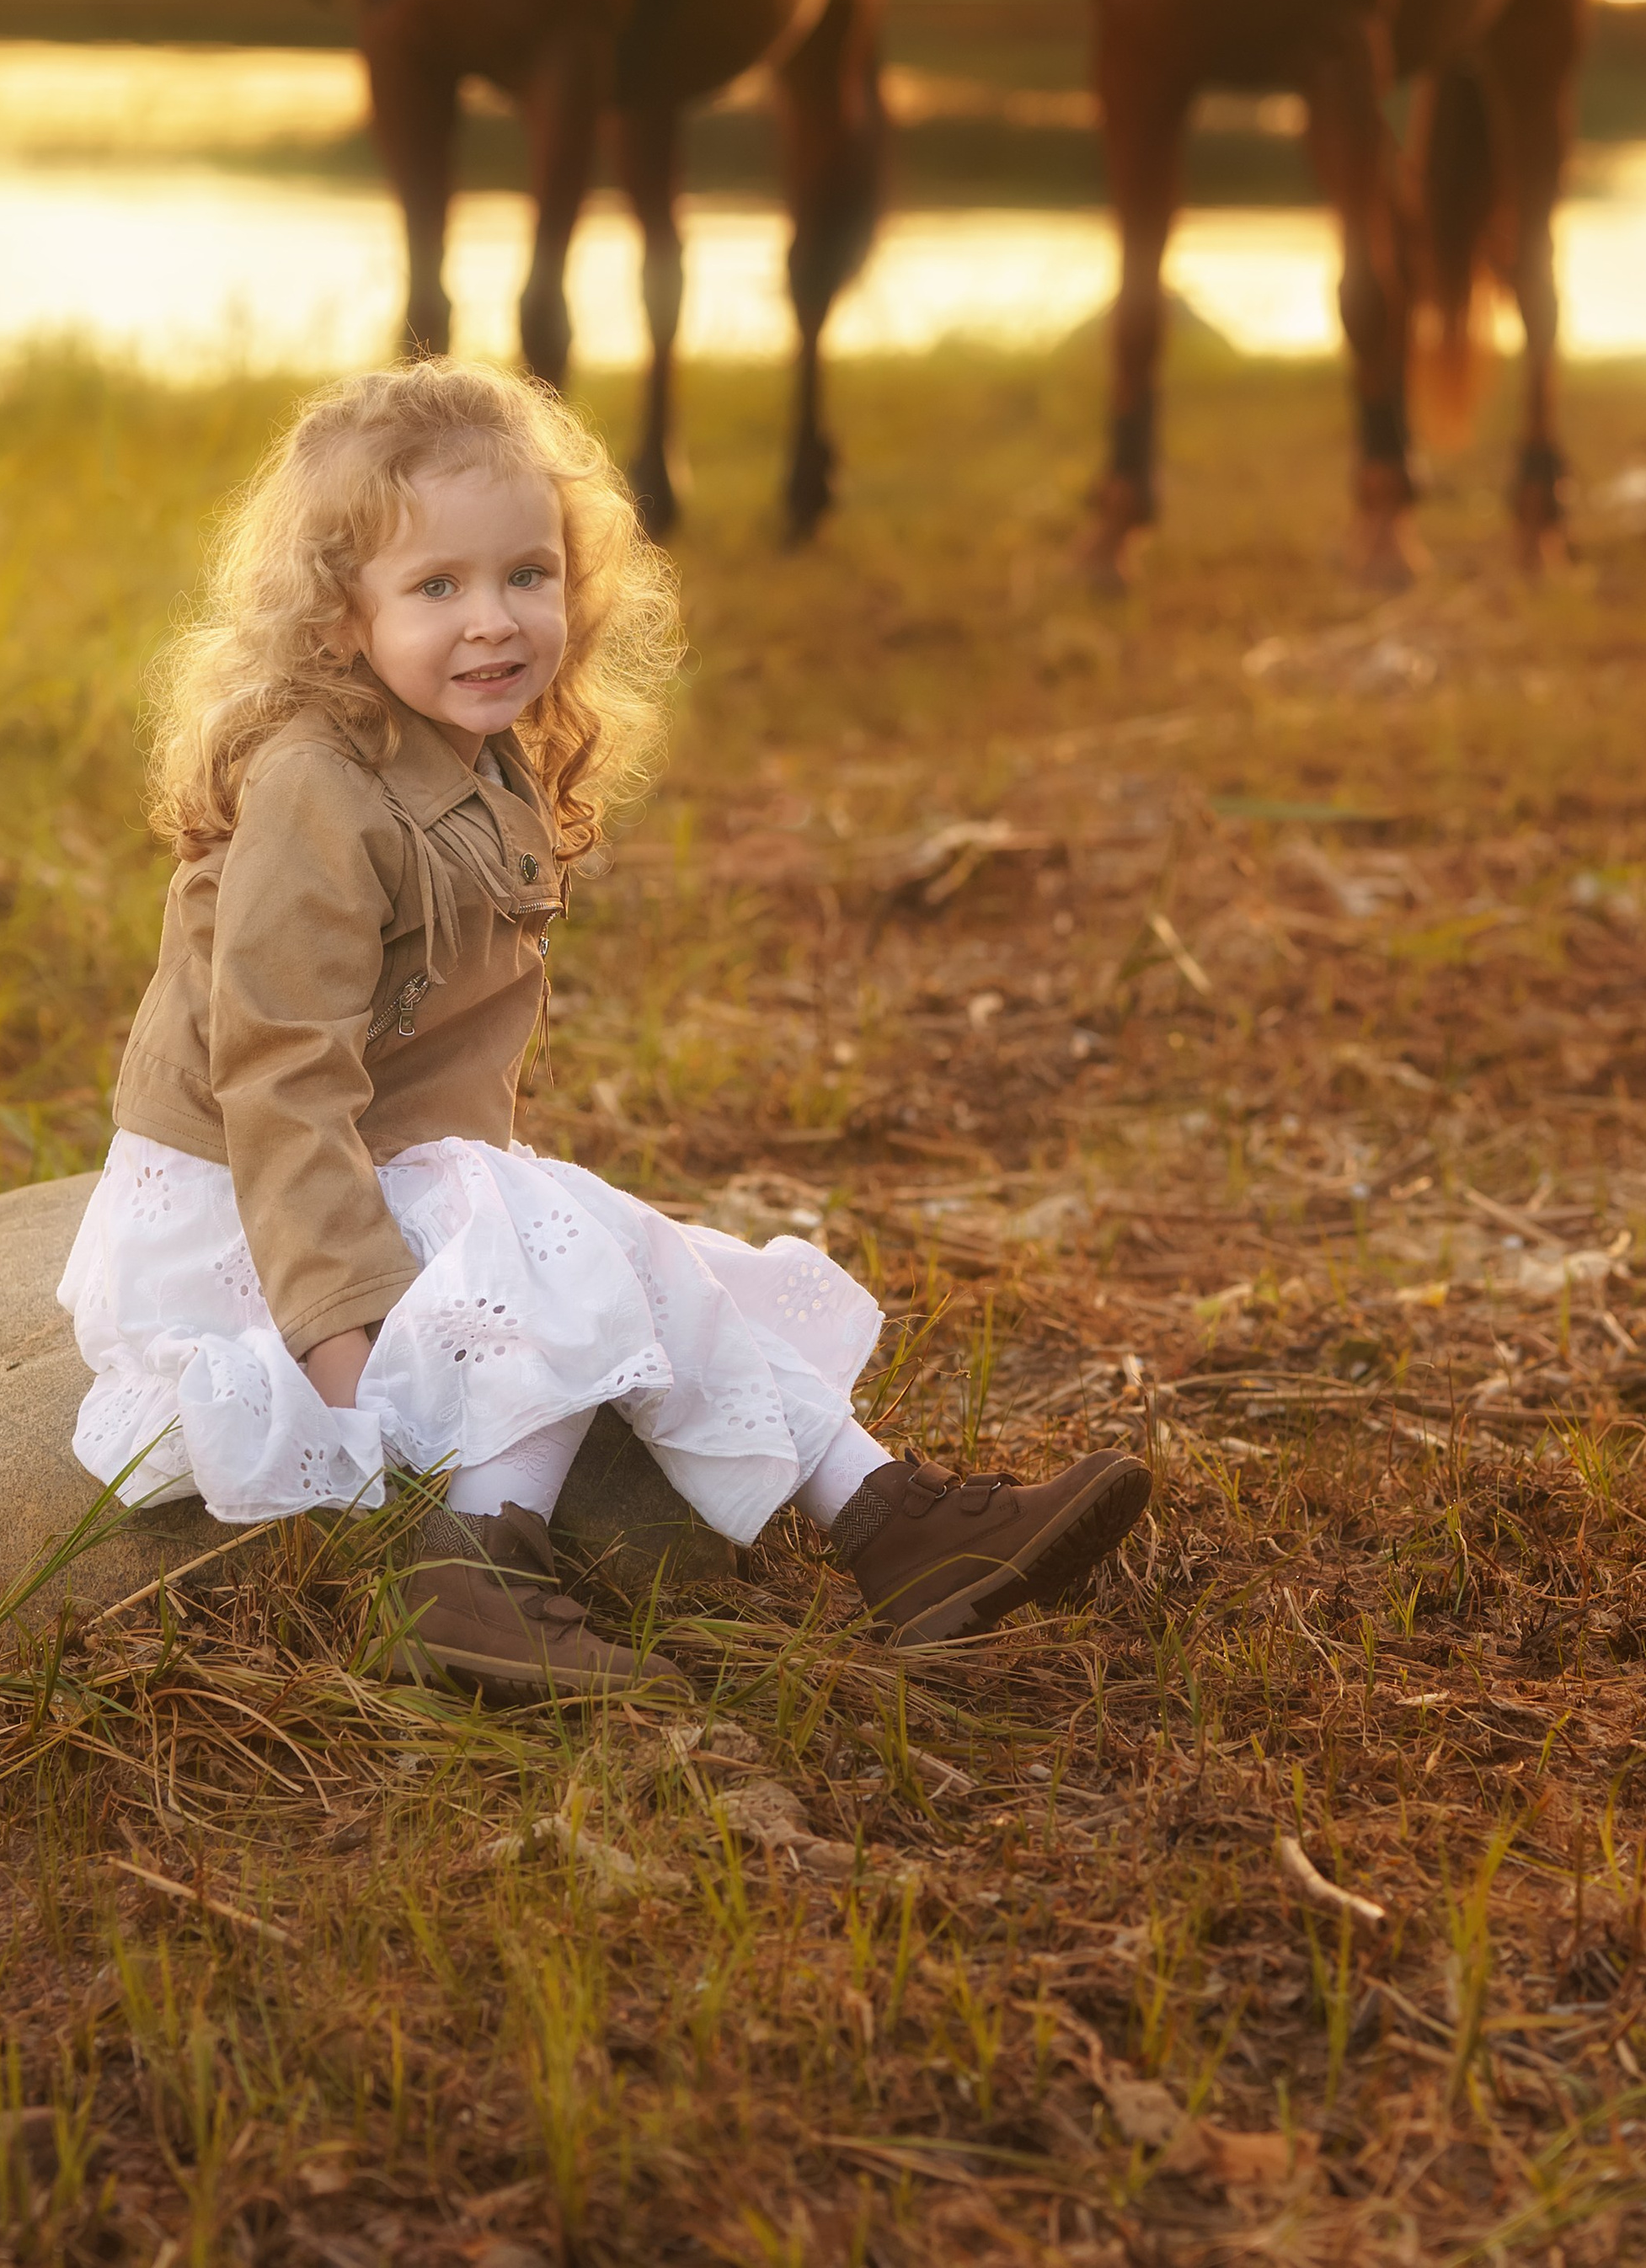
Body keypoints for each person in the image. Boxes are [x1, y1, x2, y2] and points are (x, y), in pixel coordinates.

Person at [61, 363, 1150, 1699]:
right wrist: (348, 1357)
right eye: (438, 587)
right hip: (247, 1206)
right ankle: (468, 1570)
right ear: (341, 618)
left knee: (644, 1258)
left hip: (384, 1160)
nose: (496, 622)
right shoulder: (312, 790)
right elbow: (279, 1088)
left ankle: (893, 1526)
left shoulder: (480, 759)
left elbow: (448, 1073)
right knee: (566, 1251)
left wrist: (499, 1210)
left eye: (528, 574)